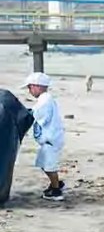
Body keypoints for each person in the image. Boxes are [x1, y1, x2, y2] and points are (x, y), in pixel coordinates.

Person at [20, 72, 65, 202]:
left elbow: (38, 115)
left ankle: (56, 191)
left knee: (49, 166)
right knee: (43, 163)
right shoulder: (44, 99)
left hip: (50, 140)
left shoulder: (45, 100)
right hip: (47, 140)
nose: (29, 91)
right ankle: (55, 183)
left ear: (37, 86)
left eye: (30, 88)